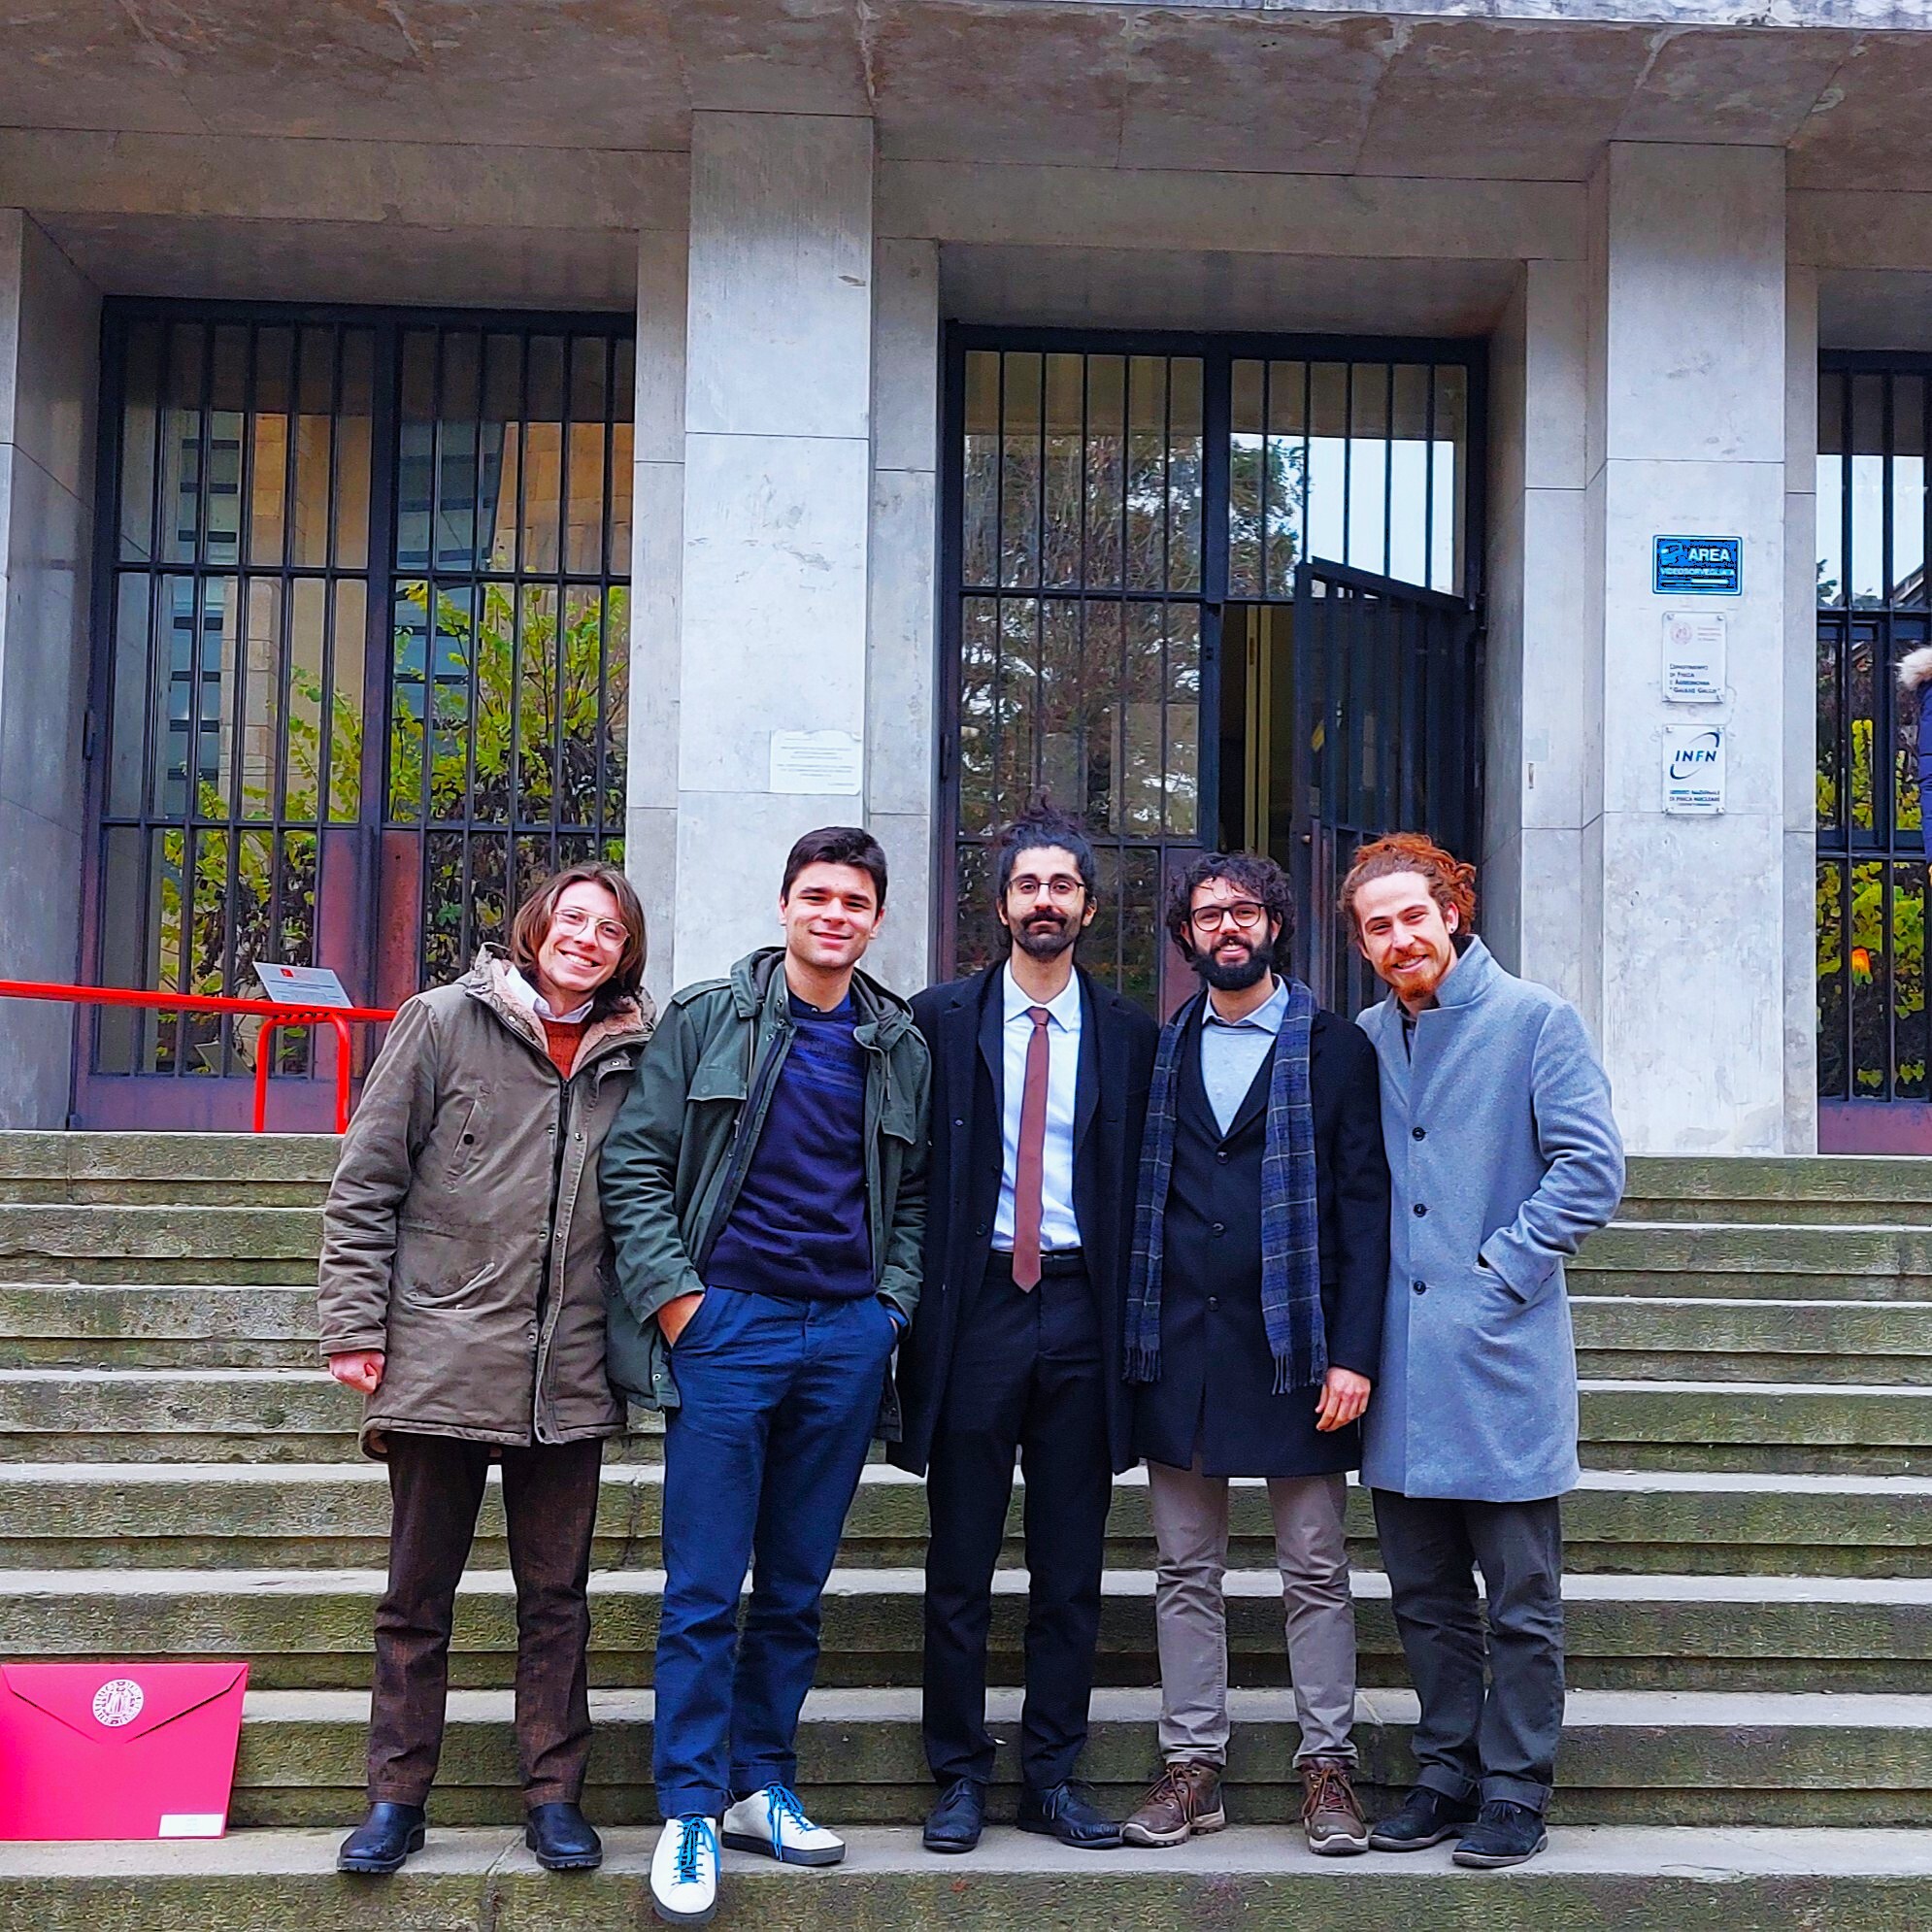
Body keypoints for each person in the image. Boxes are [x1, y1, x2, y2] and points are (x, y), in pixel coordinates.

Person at [601, 826, 929, 1928]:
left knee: (794, 1584)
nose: (835, 916)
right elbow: (634, 1162)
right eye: (817, 897)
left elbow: (914, 1192)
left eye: (855, 902)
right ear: (785, 906)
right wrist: (680, 1303)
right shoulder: (708, 1017)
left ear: (875, 920)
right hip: (728, 1326)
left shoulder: (897, 1041)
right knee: (704, 1586)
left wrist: (889, 1309)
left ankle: (760, 1784)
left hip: (844, 1336)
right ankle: (690, 1806)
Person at [316, 862, 653, 1877]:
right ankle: (395, 1798)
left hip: (571, 1366)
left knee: (558, 1598)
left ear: (626, 951)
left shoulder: (638, 1049)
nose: (587, 939)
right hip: (443, 1351)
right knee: (415, 1597)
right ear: (536, 925)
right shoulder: (440, 1020)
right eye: (573, 919)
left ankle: (554, 1796)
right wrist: (354, 1323)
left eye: (609, 929)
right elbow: (366, 1182)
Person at [1345, 833, 1623, 1871]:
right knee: (1423, 1597)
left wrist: (1501, 1270)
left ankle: (1515, 1787)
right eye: (1377, 926)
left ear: (1452, 911)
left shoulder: (1536, 1019)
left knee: (1519, 1596)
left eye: (1414, 916)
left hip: (1501, 1356)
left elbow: (1591, 1169)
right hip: (1400, 1368)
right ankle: (1446, 1772)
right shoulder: (1368, 1035)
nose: (1400, 939)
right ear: (1363, 944)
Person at [894, 809, 1159, 1854]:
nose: (1044, 900)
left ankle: (1051, 1775)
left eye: (1062, 886)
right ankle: (958, 1774)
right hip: (977, 1312)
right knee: (959, 1558)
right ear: (1000, 903)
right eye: (1027, 884)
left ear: (1088, 907)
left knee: (1070, 1565)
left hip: (1083, 1307)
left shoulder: (1131, 1033)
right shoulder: (937, 1020)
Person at [1118, 852, 1389, 1858]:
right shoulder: (1160, 1049)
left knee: (1314, 1566)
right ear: (1186, 937)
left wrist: (1353, 1352)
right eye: (1207, 915)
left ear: (1275, 923)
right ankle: (1191, 1766)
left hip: (1296, 1350)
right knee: (1184, 1568)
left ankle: (1328, 1768)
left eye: (1243, 911)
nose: (1226, 927)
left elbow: (1365, 1210)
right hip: (1181, 1347)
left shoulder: (1336, 1049)